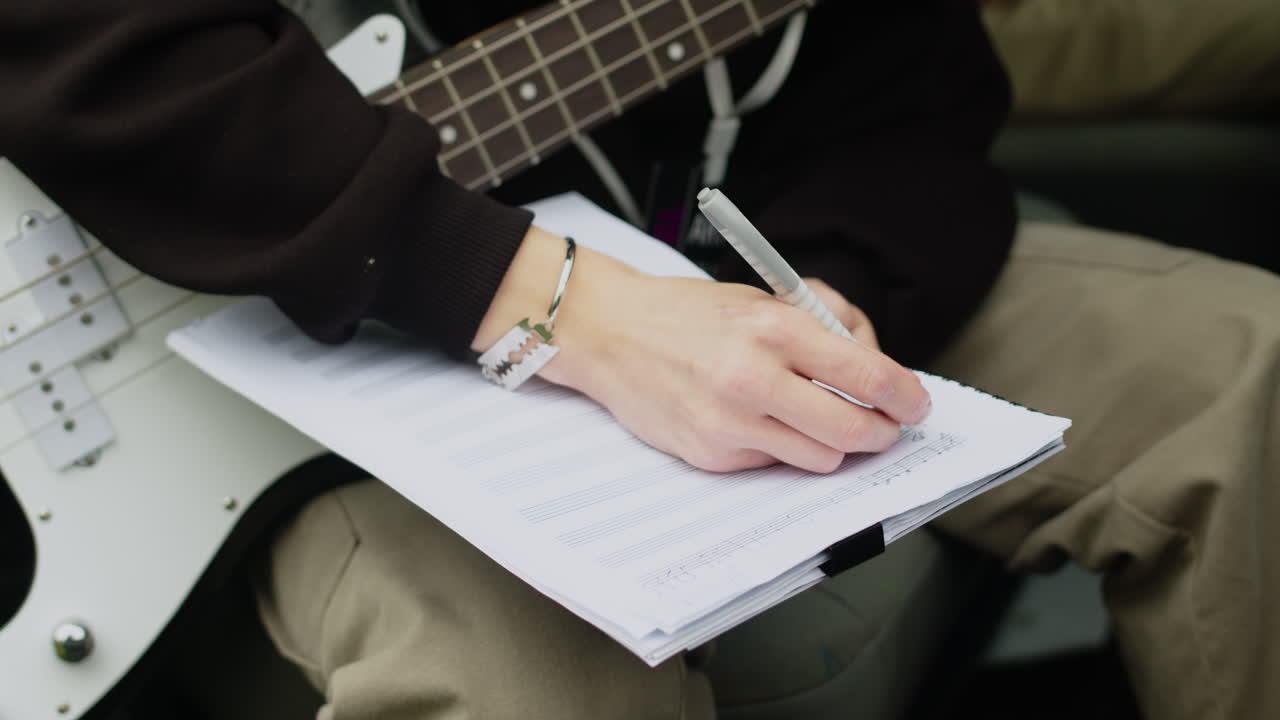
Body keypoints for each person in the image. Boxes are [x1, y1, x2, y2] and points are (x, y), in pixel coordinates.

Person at [1, 2, 1277, 719]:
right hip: (260, 346)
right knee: (528, 692)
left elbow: (913, 105)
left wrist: (825, 287)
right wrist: (560, 307)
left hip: (721, 248)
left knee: (1236, 366)